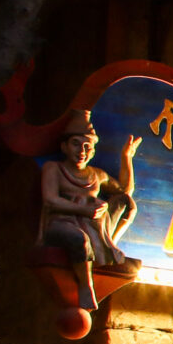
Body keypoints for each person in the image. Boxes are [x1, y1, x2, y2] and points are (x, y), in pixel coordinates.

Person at [37, 111, 141, 311]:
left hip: (95, 226)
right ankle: (86, 285)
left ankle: (110, 244)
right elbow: (50, 200)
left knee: (126, 202)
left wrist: (126, 157)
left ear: (93, 150)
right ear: (64, 146)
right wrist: (83, 209)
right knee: (80, 240)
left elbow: (125, 191)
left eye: (87, 146)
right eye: (76, 144)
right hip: (62, 224)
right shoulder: (54, 169)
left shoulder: (96, 174)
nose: (82, 151)